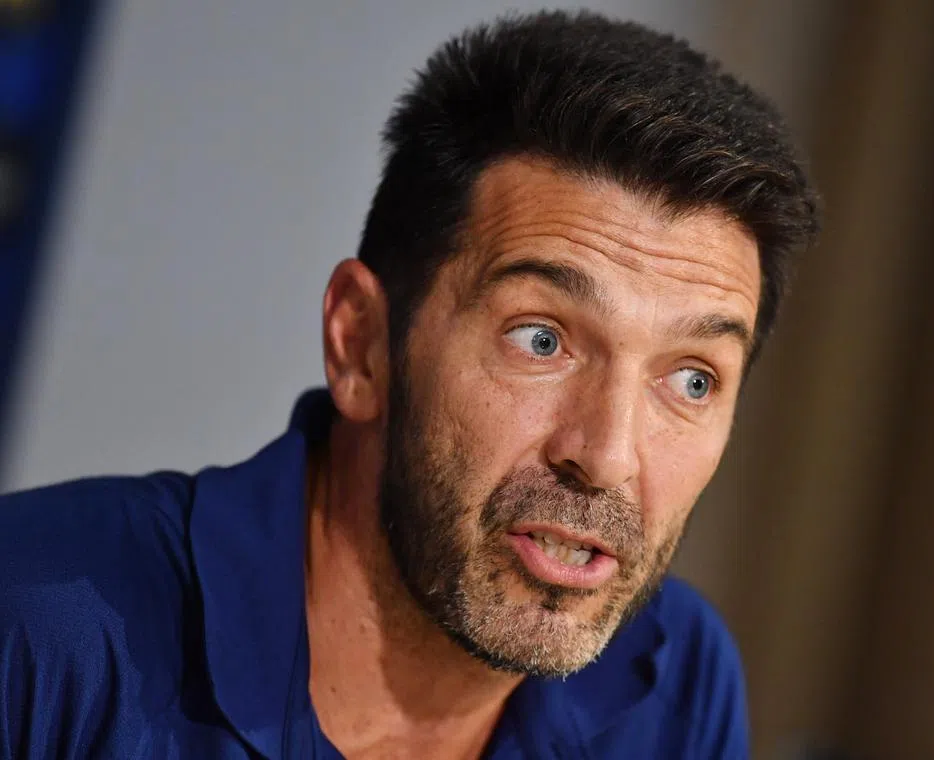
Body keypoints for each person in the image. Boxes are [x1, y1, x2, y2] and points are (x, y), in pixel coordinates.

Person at [0, 10, 818, 759]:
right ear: (361, 345)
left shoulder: (674, 684)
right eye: (542, 340)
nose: (605, 456)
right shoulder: (38, 622)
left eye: (692, 380)